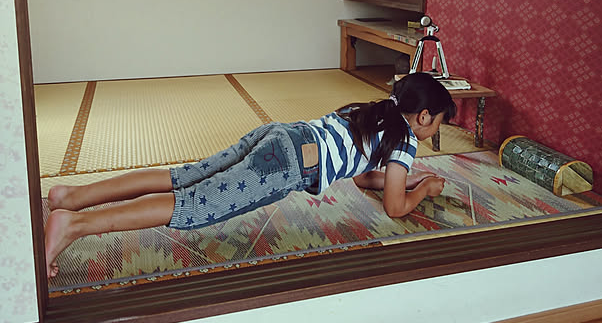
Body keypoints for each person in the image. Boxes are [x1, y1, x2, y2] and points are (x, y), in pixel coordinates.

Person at [45, 72, 456, 279]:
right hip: (285, 166)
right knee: (192, 205)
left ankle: (71, 196)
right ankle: (74, 225)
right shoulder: (406, 141)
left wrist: (404, 180)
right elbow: (395, 207)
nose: (435, 129)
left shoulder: (373, 111)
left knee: (183, 177)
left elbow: (364, 178)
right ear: (424, 116)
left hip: (279, 135)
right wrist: (423, 188)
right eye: (438, 122)